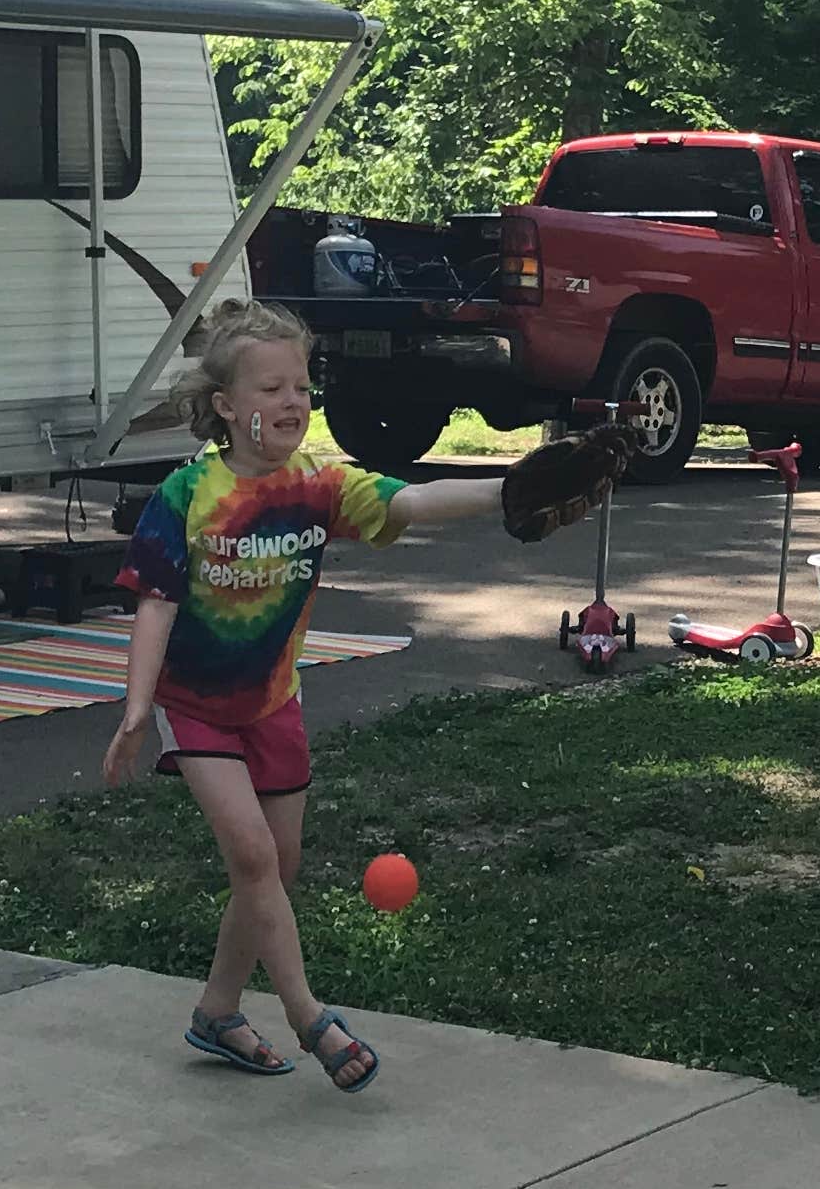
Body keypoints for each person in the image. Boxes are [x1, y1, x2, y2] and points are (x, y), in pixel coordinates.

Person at [101, 302, 528, 1093]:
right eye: (272, 388)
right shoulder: (186, 496)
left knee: (274, 868)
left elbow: (411, 502)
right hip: (194, 705)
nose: (294, 401)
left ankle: (218, 1010)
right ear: (227, 406)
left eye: (303, 385)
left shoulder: (319, 486)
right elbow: (155, 603)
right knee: (254, 856)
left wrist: (511, 487)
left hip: (273, 704)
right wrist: (136, 709)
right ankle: (308, 1016)